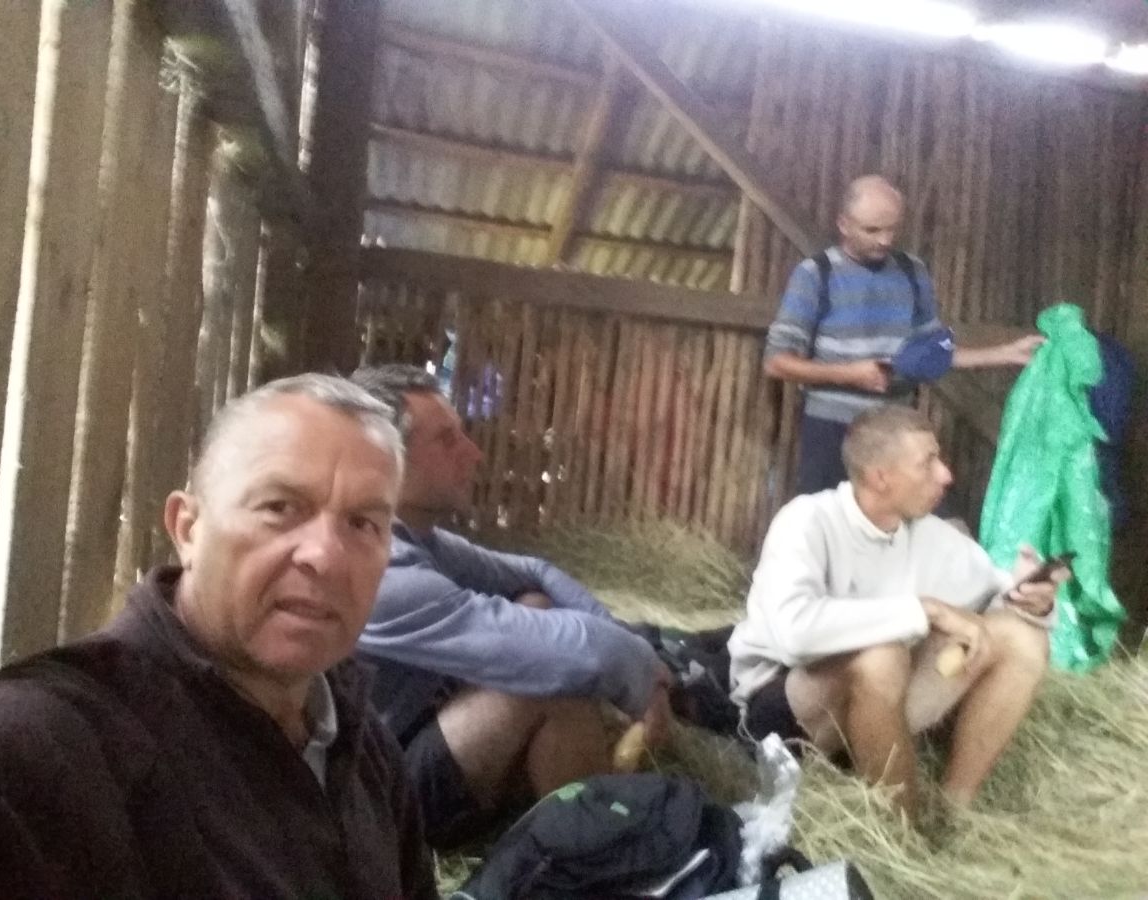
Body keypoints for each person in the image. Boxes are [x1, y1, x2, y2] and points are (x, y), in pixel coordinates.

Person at [0, 375, 437, 899]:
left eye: (362, 524)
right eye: (279, 508)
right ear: (187, 528)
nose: (325, 556)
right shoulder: (56, 748)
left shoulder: (362, 750)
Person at [348, 364, 673, 850]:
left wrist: (627, 646)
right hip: (372, 797)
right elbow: (575, 655)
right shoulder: (381, 569)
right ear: (386, 460)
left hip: (424, 731)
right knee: (546, 681)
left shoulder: (416, 537)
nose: (474, 453)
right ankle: (593, 852)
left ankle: (581, 824)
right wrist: (651, 674)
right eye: (447, 440)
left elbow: (535, 573)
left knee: (537, 609)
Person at [727, 405, 1061, 820]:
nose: (946, 475)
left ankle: (955, 812)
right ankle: (903, 831)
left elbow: (997, 595)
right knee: (881, 655)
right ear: (880, 476)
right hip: (785, 713)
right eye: (928, 463)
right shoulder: (807, 520)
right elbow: (794, 635)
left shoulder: (928, 534)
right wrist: (925, 610)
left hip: (881, 708)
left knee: (1021, 637)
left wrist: (1032, 599)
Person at [764, 174, 1042, 495]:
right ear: (844, 224)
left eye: (892, 229)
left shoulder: (913, 271)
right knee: (830, 520)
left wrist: (1006, 353)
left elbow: (933, 353)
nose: (885, 240)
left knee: (903, 518)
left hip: (896, 432)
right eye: (872, 230)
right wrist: (850, 374)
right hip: (831, 432)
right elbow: (776, 363)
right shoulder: (816, 275)